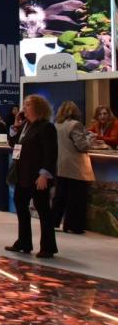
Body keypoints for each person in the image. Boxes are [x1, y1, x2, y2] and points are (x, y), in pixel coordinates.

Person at [6, 94, 58, 259]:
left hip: (37, 176)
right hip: (22, 174)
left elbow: (50, 153)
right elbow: (15, 145)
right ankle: (24, 242)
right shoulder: (25, 126)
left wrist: (44, 174)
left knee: (43, 210)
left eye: (27, 105)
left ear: (37, 107)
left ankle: (48, 247)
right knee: (20, 206)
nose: (23, 108)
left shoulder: (46, 127)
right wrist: (14, 128)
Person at [53, 101, 94, 235]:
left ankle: (53, 221)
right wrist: (90, 139)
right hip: (76, 166)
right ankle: (73, 226)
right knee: (76, 198)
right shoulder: (75, 125)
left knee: (60, 196)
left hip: (61, 165)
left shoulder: (57, 125)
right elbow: (82, 146)